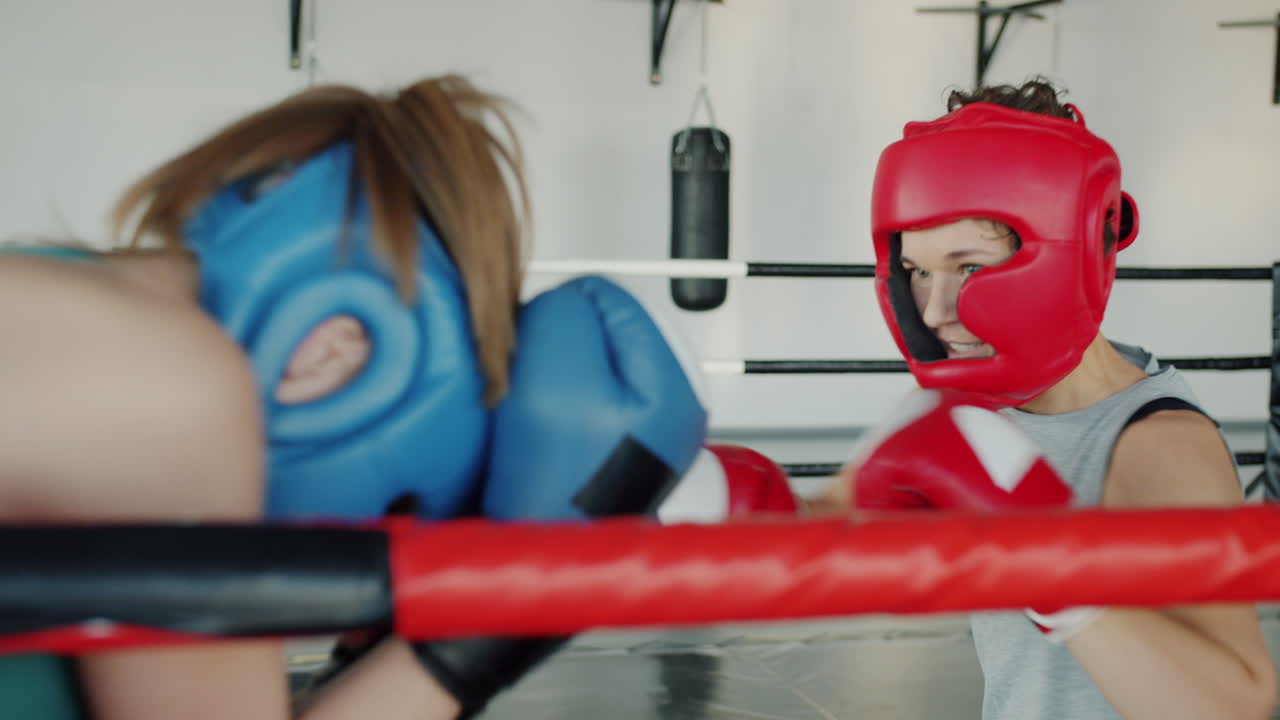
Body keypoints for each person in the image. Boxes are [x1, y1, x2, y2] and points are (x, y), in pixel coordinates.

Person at [0, 74, 797, 720]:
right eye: (409, 499)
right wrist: (509, 609)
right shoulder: (173, 388)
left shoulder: (54, 289)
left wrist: (371, 653)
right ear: (334, 346)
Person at [817, 79, 1278, 719]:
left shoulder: (1155, 442)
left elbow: (1234, 707)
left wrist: (1055, 580)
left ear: (1075, 255)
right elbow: (821, 540)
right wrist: (710, 491)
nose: (937, 311)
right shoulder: (977, 418)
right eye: (919, 271)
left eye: (971, 266)